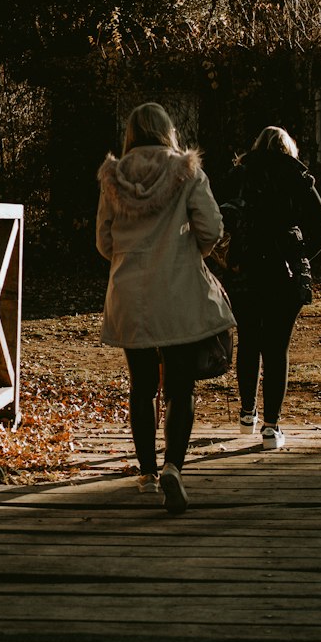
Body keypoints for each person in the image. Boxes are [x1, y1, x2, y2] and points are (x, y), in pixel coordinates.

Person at [96, 102, 234, 514]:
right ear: (168, 131)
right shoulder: (187, 171)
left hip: (129, 294)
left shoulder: (114, 177)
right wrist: (190, 252)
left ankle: (146, 472)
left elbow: (104, 242)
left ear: (132, 133)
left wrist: (130, 253)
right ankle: (174, 465)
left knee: (141, 386)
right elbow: (211, 228)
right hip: (177, 291)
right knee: (180, 386)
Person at [221, 125, 321, 448]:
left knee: (249, 340)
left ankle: (246, 414)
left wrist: (229, 254)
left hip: (244, 268)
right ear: (289, 149)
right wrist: (300, 255)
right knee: (276, 348)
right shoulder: (296, 177)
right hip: (284, 273)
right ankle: (271, 426)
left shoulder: (240, 175)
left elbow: (217, 215)